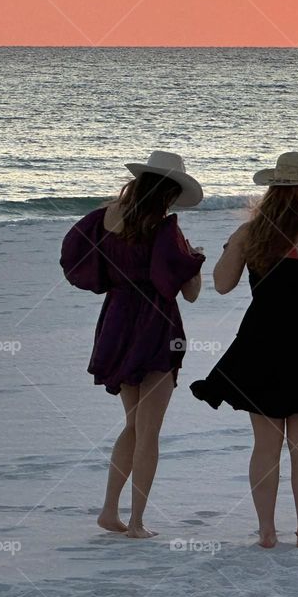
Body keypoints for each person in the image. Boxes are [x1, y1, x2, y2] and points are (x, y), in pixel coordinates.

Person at [190, 152, 298, 549]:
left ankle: (267, 532)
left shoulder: (251, 234)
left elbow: (222, 284)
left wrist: (232, 247)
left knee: (265, 447)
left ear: (273, 191)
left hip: (261, 343)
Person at [60, 151, 206, 538]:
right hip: (156, 325)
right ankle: (137, 522)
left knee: (133, 424)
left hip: (117, 320)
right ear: (169, 192)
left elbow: (75, 257)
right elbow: (189, 292)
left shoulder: (104, 217)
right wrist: (195, 260)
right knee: (149, 430)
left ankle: (110, 511)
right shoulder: (164, 229)